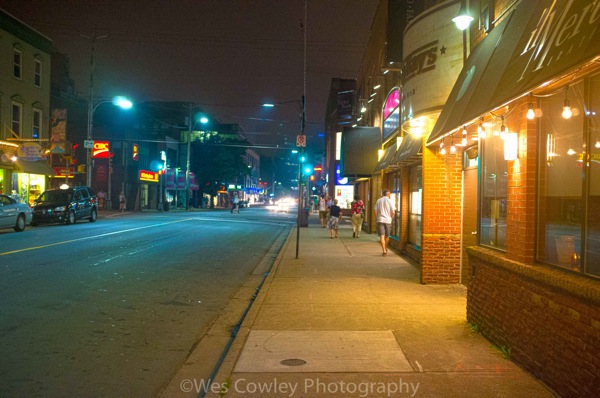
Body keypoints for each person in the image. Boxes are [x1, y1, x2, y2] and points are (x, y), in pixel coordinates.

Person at [374, 189, 395, 256]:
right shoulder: (390, 201)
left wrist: (377, 217)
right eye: (389, 194)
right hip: (388, 220)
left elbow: (375, 211)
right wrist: (391, 218)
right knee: (387, 236)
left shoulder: (378, 200)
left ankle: (384, 250)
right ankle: (385, 248)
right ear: (388, 194)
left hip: (380, 220)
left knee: (381, 236)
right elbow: (393, 211)